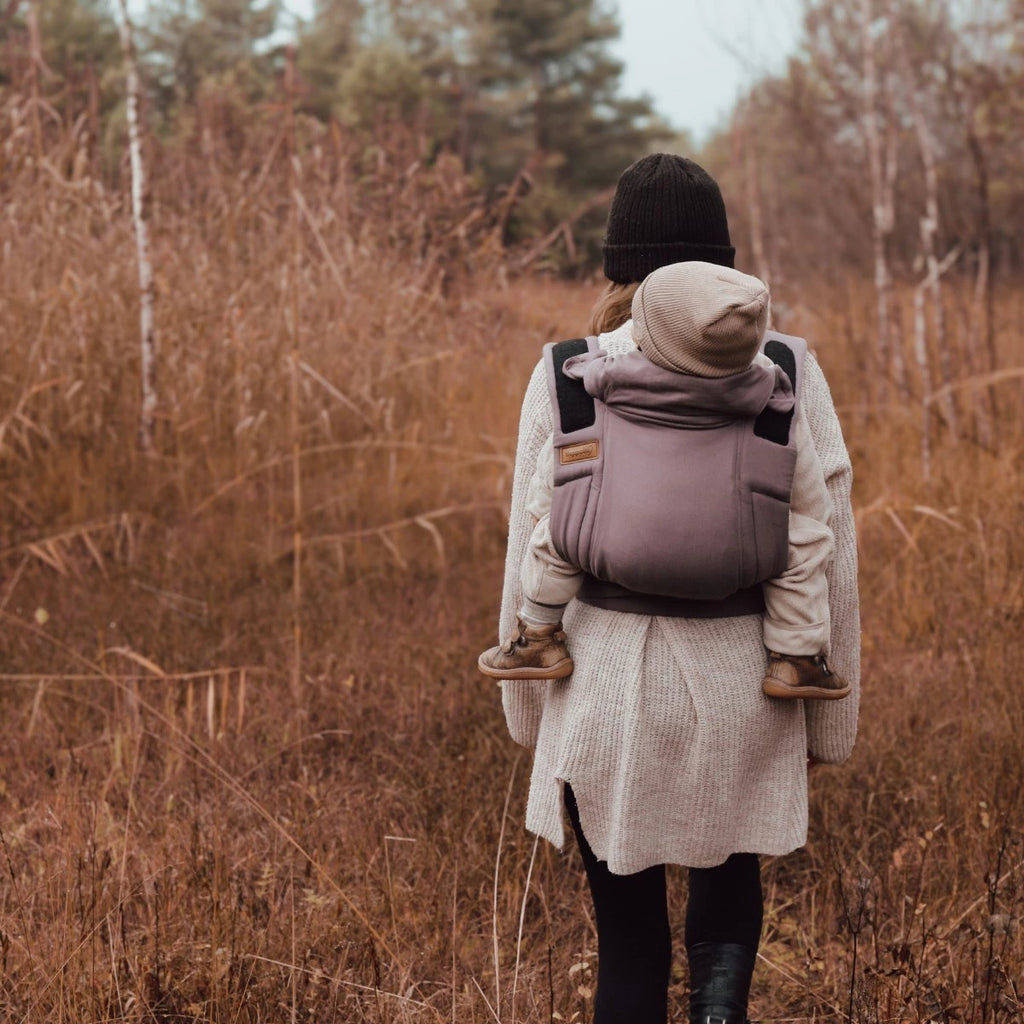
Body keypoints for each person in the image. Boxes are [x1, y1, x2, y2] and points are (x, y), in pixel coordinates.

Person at [487, 154, 860, 1024]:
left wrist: (530, 717)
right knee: (727, 903)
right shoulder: (788, 368)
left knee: (627, 944)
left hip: (603, 694)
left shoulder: (568, 370)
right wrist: (828, 723)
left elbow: (528, 539)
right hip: (746, 689)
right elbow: (828, 542)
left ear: (617, 261)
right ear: (723, 259)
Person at [477, 258, 850, 702]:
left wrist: (550, 517)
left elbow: (549, 484)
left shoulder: (600, 383)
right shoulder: (775, 399)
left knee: (555, 530)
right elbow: (814, 504)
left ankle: (537, 636)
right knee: (806, 541)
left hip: (611, 548)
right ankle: (797, 658)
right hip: (738, 558)